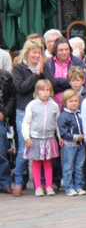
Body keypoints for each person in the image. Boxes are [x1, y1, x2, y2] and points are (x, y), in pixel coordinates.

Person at [12, 41, 45, 196]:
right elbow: (21, 88)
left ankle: (43, 182)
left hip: (41, 112)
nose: (37, 55)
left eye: (39, 52)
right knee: (24, 147)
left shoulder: (44, 67)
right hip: (23, 111)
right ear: (27, 53)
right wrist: (36, 74)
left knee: (43, 146)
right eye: (34, 52)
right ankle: (19, 181)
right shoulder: (19, 69)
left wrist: (42, 72)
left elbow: (50, 84)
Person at [22, 79, 60, 196]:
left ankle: (48, 186)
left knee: (48, 163)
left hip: (49, 137)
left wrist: (59, 137)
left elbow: (56, 122)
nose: (45, 93)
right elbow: (26, 122)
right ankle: (38, 187)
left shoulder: (54, 105)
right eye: (42, 90)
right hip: (35, 138)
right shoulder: (32, 105)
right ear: (37, 92)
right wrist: (27, 137)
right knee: (36, 163)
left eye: (47, 90)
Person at [57, 89, 86, 196]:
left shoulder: (80, 113)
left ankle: (79, 186)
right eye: (71, 101)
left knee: (79, 167)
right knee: (68, 167)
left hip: (81, 145)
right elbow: (63, 132)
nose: (74, 103)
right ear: (65, 102)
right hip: (69, 145)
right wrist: (75, 137)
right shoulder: (63, 116)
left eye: (76, 101)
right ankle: (69, 187)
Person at [0, 64, 14, 194]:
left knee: (1, 153)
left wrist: (4, 113)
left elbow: (12, 97)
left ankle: (4, 183)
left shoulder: (5, 76)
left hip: (0, 118)